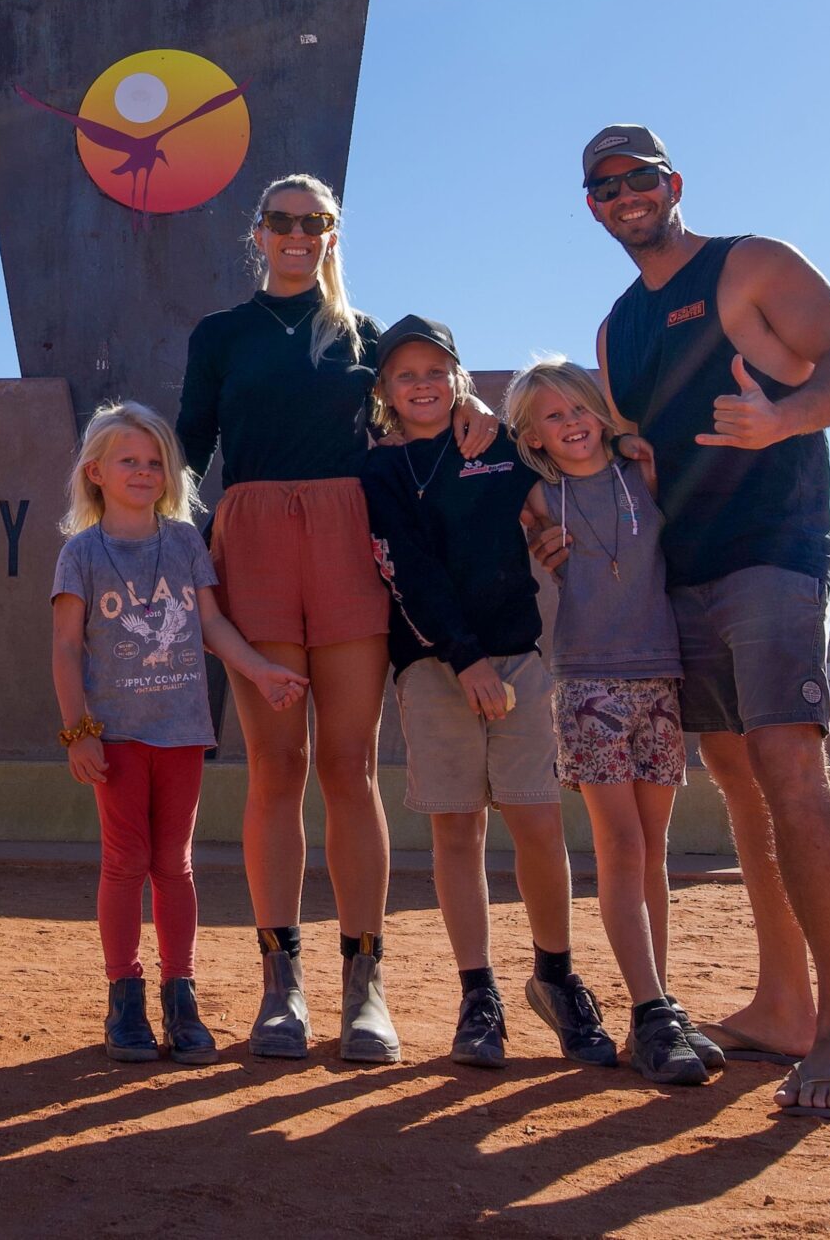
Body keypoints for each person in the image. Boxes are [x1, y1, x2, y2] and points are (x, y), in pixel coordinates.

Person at [559, 122, 830, 1120]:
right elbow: (632, 461)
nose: (627, 195)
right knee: (740, 783)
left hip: (772, 554)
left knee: (791, 770)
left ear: (674, 182)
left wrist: (783, 417)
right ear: (591, 205)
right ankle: (782, 1006)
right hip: (684, 570)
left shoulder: (752, 264)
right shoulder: (619, 328)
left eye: (642, 177)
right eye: (606, 185)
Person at [175, 173, 497, 1063]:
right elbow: (189, 447)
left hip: (351, 537)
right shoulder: (221, 335)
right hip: (254, 539)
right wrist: (161, 537)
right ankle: (282, 989)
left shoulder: (363, 335)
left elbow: (425, 390)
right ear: (257, 231)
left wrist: (467, 404)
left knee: (350, 767)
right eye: (280, 221)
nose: (296, 235)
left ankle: (368, 989)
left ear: (332, 234)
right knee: (278, 767)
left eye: (314, 223)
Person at [360, 318, 616, 1071]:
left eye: (436, 370)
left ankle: (557, 977)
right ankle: (479, 996)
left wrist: (549, 531)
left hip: (520, 660)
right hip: (434, 666)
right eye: (405, 375)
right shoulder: (380, 472)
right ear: (384, 391)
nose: (423, 385)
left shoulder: (495, 444)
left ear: (458, 376)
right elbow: (406, 569)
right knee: (458, 831)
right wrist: (463, 659)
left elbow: (561, 486)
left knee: (538, 822)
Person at [51, 400, 310, 1064]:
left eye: (154, 461)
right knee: (123, 861)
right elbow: (65, 648)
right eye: (127, 461)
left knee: (175, 864)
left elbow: (212, 626)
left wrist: (258, 670)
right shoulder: (81, 554)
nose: (143, 471)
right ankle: (124, 996)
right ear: (96, 473)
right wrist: (79, 731)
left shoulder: (185, 542)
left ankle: (179, 993)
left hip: (181, 732)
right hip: (115, 737)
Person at [507, 357, 722, 1087]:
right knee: (620, 843)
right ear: (533, 434)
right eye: (553, 417)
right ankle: (653, 1004)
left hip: (660, 675)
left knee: (652, 850)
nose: (571, 425)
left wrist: (631, 438)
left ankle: (653, 1007)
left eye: (580, 409)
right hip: (588, 683)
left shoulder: (646, 475)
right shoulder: (537, 498)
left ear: (601, 412)